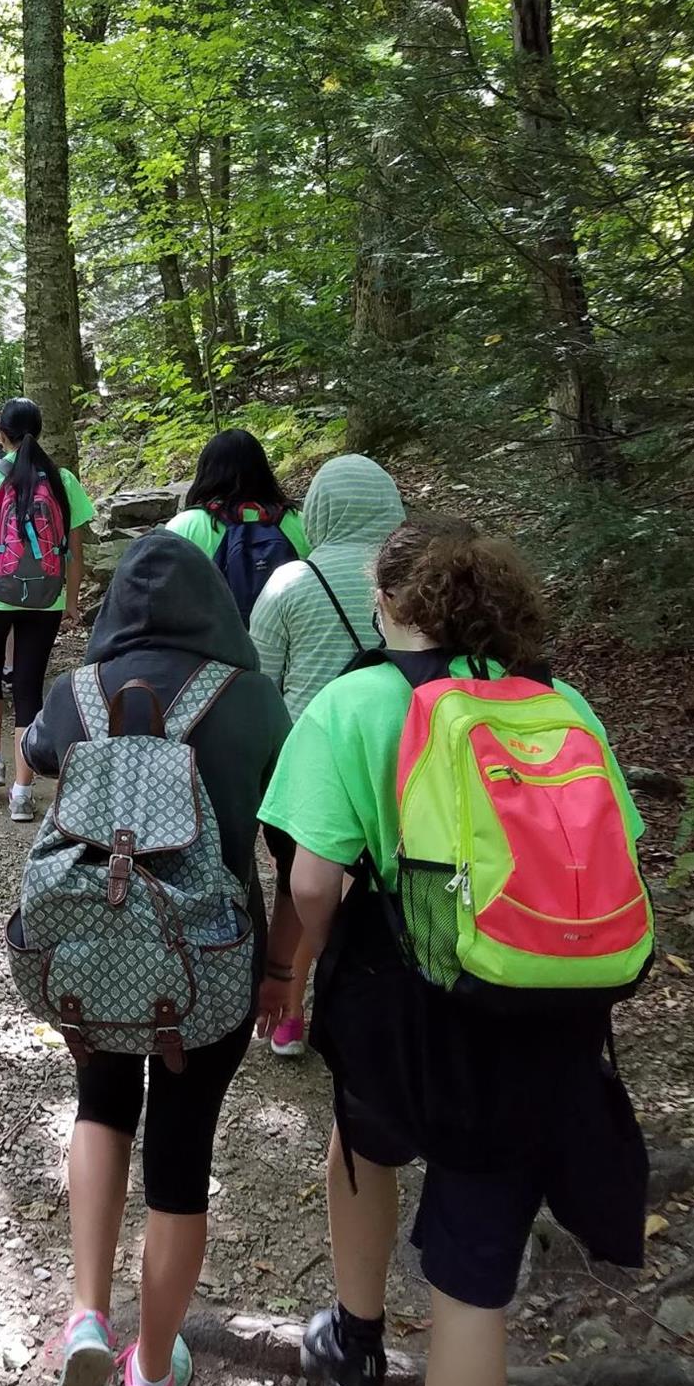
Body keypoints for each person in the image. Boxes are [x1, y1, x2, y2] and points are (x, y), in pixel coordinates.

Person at [258, 523, 649, 1386]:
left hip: (400, 1015)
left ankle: (356, 1343)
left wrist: (297, 972)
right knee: (475, 1277)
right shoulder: (561, 705)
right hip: (539, 1021)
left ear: (389, 604)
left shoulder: (354, 705)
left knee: (364, 1139)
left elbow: (314, 887)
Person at [20, 531, 292, 1386]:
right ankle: (147, 1378)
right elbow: (291, 846)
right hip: (205, 961)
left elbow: (37, 758)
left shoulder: (75, 693)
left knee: (99, 1108)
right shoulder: (250, 699)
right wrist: (285, 967)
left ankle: (87, 1313)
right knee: (181, 1155)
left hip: (94, 956)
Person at [249, 453, 404, 1058]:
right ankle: (373, 998)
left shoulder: (291, 580)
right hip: (393, 759)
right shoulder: (411, 584)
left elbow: (262, 681)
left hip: (308, 763)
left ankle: (287, 1010)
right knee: (381, 889)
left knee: (300, 885)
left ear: (318, 510)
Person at [0, 398, 95, 820]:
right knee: (30, 685)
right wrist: (70, 603)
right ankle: (22, 790)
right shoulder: (62, 479)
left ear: (1, 434)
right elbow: (74, 549)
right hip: (46, 598)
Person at [167, 428, 310, 621]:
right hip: (289, 640)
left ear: (205, 471)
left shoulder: (184, 527)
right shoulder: (300, 522)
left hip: (216, 645)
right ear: (263, 471)